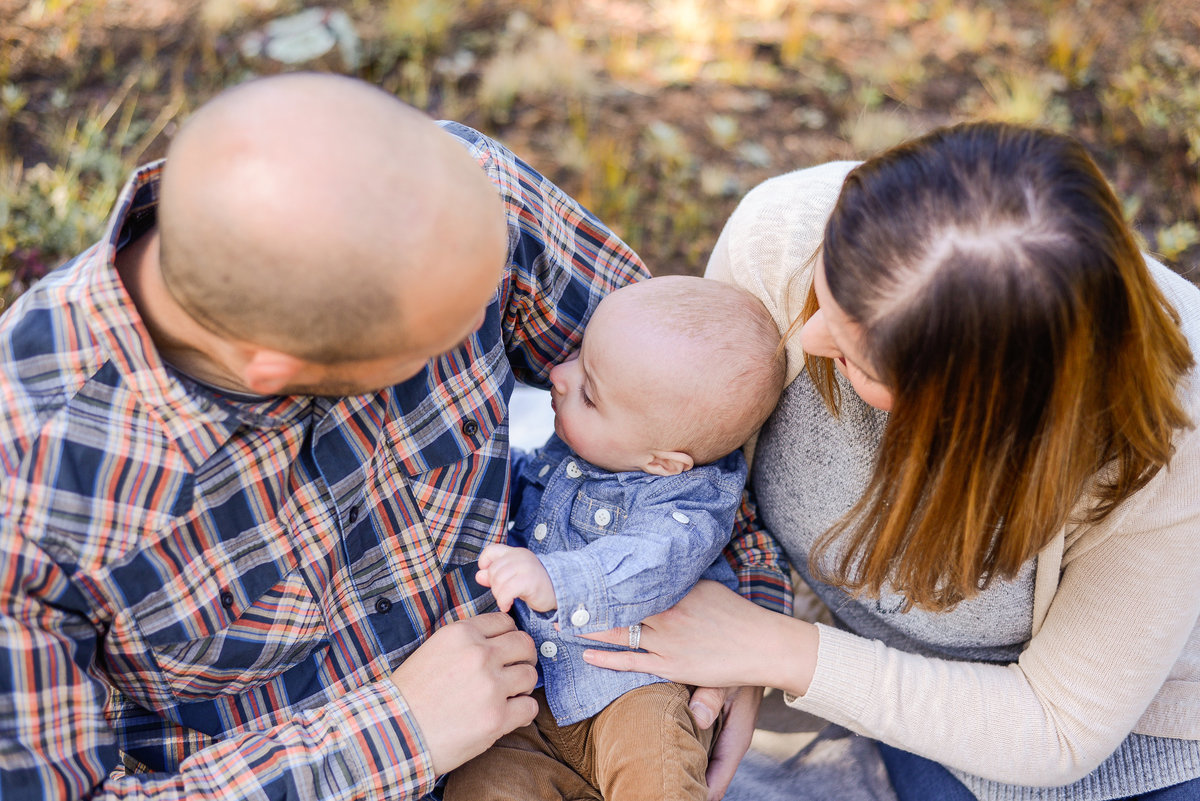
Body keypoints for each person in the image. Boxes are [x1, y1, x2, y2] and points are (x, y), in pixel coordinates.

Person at [0, 73, 793, 801]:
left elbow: (690, 401)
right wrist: (393, 732)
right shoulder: (32, 498)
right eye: (433, 349)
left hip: (591, 688)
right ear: (276, 369)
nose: (528, 362)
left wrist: (737, 612)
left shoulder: (466, 198)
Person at [582, 121, 1200, 800]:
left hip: (1110, 729)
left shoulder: (1168, 439)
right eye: (826, 292)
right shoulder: (784, 234)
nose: (810, 336)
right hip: (869, 668)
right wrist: (740, 639)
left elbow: (1057, 725)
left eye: (854, 356)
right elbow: (705, 477)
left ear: (971, 416)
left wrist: (774, 651)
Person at [443, 276, 786, 801]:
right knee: (484, 782)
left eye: (589, 393)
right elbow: (512, 484)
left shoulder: (691, 500)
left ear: (662, 462)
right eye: (579, 355)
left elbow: (655, 562)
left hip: (637, 690)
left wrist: (558, 579)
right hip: (536, 703)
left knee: (658, 775)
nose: (557, 374)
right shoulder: (574, 453)